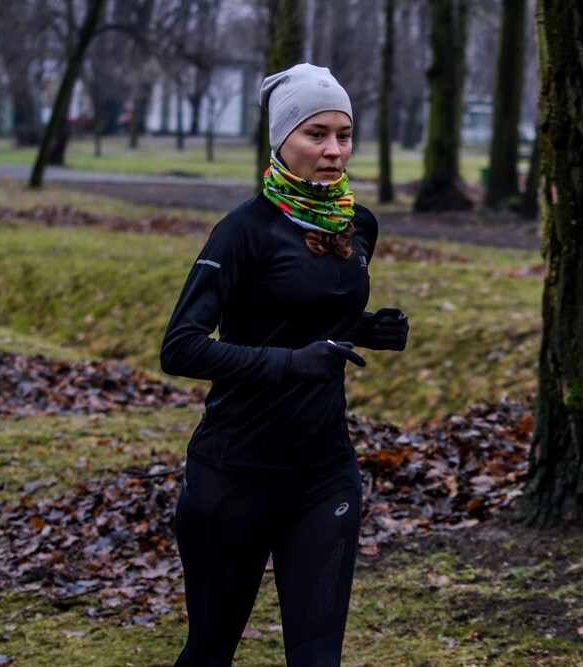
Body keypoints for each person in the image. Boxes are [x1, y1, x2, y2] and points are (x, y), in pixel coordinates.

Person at [160, 63, 409, 667]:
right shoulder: (243, 232)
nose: (333, 150)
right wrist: (289, 365)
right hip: (235, 472)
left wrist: (365, 331)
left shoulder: (358, 224)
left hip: (325, 474)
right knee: (210, 652)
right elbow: (182, 347)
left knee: (318, 660)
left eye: (343, 135)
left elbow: (307, 318)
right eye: (315, 134)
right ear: (281, 140)